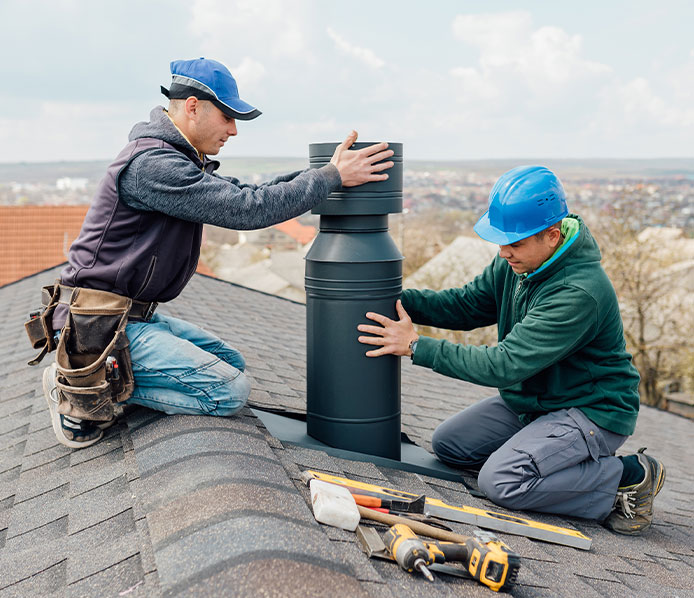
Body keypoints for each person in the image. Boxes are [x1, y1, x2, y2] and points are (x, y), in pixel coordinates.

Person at [42, 57, 394, 449]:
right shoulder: (153, 166)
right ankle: (80, 386)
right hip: (98, 327)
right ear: (193, 106)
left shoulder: (176, 159)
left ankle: (103, 376)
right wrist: (333, 177)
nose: (233, 130)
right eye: (227, 117)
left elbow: (246, 193)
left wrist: (324, 172)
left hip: (130, 319)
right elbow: (248, 210)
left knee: (232, 364)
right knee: (228, 390)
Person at [357, 165, 665, 535]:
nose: (504, 253)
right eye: (501, 241)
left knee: (501, 482)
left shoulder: (578, 292)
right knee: (450, 445)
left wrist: (415, 346)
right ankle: (550, 457)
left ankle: (627, 477)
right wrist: (396, 300)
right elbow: (467, 305)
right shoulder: (520, 263)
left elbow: (503, 366)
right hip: (535, 402)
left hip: (590, 411)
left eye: (514, 243)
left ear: (552, 236)